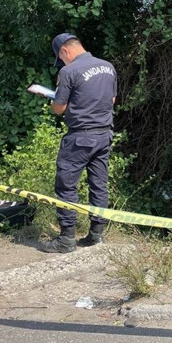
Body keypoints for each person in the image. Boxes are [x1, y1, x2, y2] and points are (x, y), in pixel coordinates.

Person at [38, 33, 117, 253]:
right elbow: (112, 100)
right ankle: (96, 236)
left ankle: (66, 240)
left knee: (66, 186)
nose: (61, 62)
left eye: (60, 58)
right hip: (104, 135)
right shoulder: (108, 67)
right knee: (99, 185)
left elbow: (59, 108)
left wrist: (52, 97)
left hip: (80, 137)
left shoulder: (69, 71)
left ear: (64, 51)